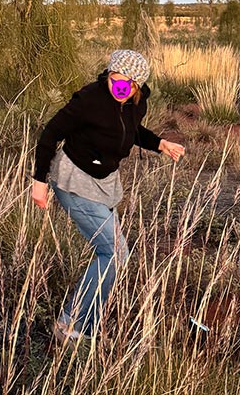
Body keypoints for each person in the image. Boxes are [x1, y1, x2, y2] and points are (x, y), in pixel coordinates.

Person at [30, 49, 186, 343]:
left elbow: (130, 130)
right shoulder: (90, 99)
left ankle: (87, 324)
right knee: (114, 252)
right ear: (108, 75)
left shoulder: (136, 104)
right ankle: (71, 325)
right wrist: (39, 181)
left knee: (113, 254)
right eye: (115, 78)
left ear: (137, 85)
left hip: (104, 182)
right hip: (73, 180)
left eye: (127, 81)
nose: (119, 85)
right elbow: (51, 133)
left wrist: (160, 143)